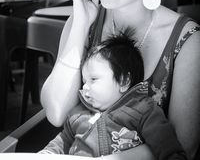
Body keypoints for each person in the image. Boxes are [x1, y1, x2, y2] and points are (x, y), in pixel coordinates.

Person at [41, 0, 200, 160]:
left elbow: (185, 145)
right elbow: (56, 112)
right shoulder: (82, 22)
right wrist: (80, 25)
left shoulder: (187, 41)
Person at [40, 30, 186, 159]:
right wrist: (46, 154)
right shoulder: (78, 114)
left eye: (93, 79)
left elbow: (165, 143)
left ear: (123, 80)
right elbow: (62, 142)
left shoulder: (143, 110)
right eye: (84, 81)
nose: (84, 87)